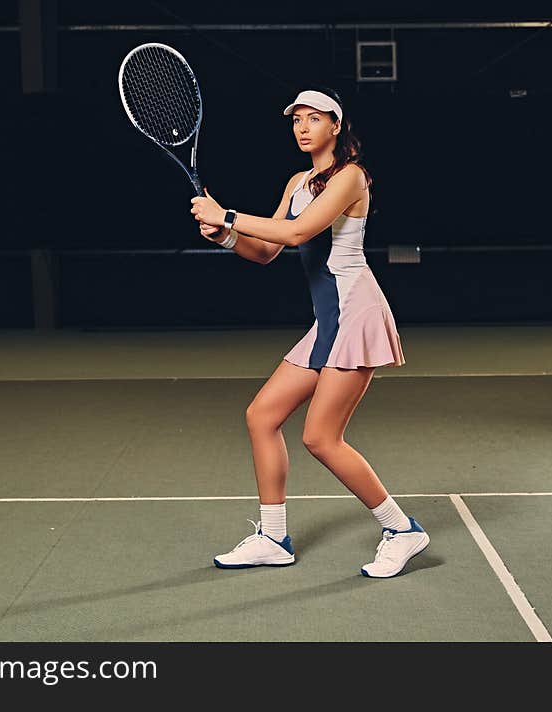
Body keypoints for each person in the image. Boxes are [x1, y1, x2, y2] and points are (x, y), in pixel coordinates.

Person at [190, 87, 428, 578]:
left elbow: (300, 233)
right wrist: (227, 235)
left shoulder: (351, 177)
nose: (302, 127)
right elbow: (266, 251)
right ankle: (274, 538)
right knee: (262, 417)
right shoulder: (298, 181)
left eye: (314, 118)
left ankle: (402, 530)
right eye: (296, 119)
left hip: (356, 313)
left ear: (336, 126)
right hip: (328, 319)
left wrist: (229, 213)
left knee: (321, 437)